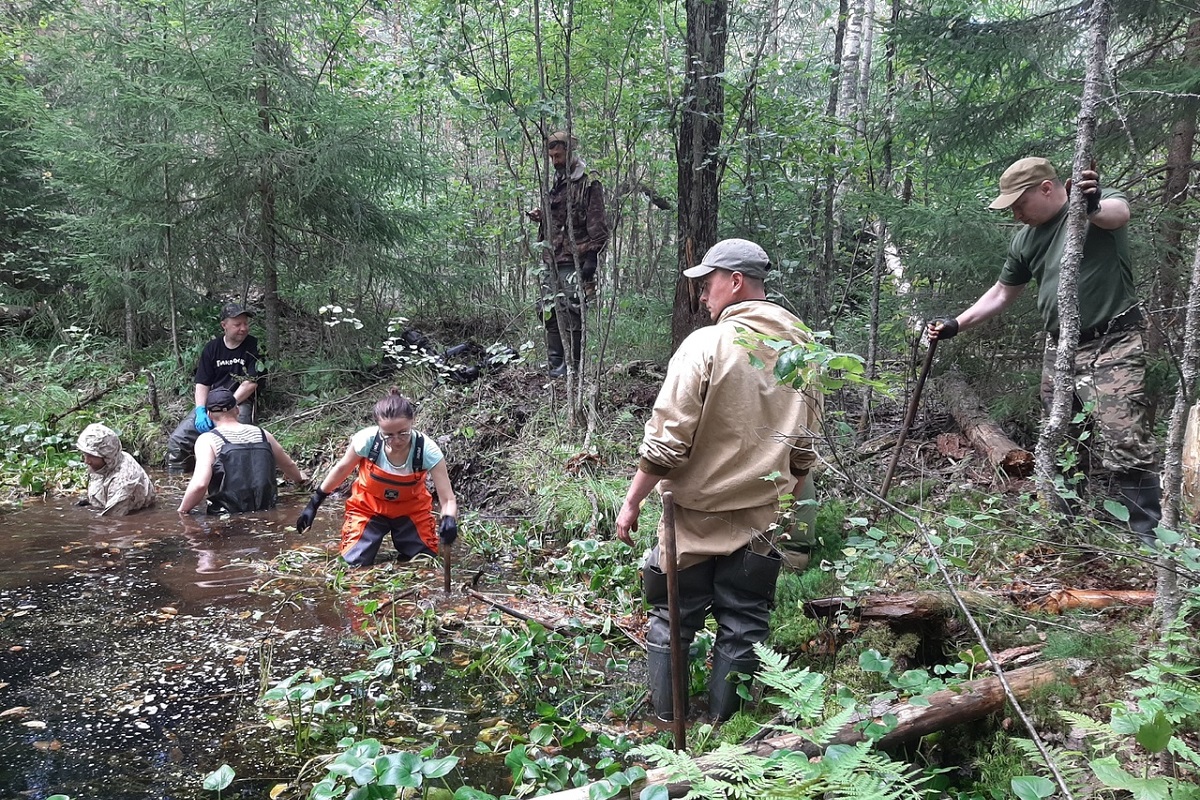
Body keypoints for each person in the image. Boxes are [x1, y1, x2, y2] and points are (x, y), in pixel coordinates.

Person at [614, 239, 822, 723]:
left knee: (672, 620)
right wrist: (789, 497)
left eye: (708, 285)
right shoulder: (804, 348)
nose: (704, 298)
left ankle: (669, 724)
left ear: (734, 282)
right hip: (761, 518)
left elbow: (666, 442)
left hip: (691, 519)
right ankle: (724, 732)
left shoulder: (706, 345)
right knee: (745, 624)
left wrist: (631, 503)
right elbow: (806, 447)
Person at [927, 157, 1159, 544]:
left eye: (1020, 204)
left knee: (1125, 439)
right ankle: (1066, 533)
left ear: (1047, 188)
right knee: (1061, 439)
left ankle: (1148, 541)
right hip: (1061, 351)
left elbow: (1117, 215)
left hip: (1112, 344)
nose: (1017, 214)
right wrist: (956, 323)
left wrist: (1094, 205)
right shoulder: (1025, 239)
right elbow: (1002, 292)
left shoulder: (1090, 208)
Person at [295, 388, 459, 567]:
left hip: (411, 511)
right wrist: (314, 503)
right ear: (378, 428)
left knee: (424, 562)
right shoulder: (367, 441)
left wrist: (449, 519)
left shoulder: (428, 450)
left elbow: (448, 498)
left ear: (413, 422)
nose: (396, 441)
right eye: (388, 435)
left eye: (403, 433)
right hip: (368, 509)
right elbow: (342, 469)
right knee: (352, 564)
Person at [526, 130, 609, 377]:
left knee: (573, 314)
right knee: (549, 312)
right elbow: (562, 216)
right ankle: (556, 369)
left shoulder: (589, 183)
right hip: (551, 260)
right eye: (551, 157)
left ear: (570, 153)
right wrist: (542, 216)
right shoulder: (557, 182)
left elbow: (599, 224)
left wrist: (591, 259)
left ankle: (573, 370)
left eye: (559, 155)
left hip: (575, 260)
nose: (555, 161)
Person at [177, 388, 308, 514]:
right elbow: (288, 464)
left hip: (227, 515)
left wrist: (182, 511)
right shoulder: (263, 434)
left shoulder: (207, 440)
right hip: (266, 508)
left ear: (209, 415)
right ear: (237, 410)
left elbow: (200, 484)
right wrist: (300, 480)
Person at [166, 303, 263, 472]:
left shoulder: (254, 347)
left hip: (239, 403)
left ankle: (232, 482)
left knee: (236, 442)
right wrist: (201, 410)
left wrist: (228, 405)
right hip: (213, 402)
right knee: (178, 441)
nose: (243, 328)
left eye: (245, 324)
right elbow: (202, 383)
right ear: (224, 325)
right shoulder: (212, 348)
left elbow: (250, 383)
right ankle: (177, 483)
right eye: (237, 324)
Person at [76, 423, 156, 516]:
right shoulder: (108, 462)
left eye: (91, 456)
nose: (86, 461)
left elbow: (110, 520)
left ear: (107, 456)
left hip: (133, 512)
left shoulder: (125, 481)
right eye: (85, 454)